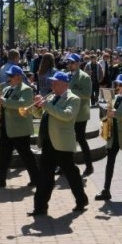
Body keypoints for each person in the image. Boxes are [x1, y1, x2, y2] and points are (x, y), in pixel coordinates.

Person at [29, 71, 88, 215]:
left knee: (71, 174)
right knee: (44, 177)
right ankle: (40, 207)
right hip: (48, 143)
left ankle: (81, 200)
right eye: (52, 82)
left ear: (64, 84)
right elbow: (39, 115)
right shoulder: (53, 97)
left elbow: (67, 116)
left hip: (62, 144)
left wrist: (47, 105)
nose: (52, 85)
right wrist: (37, 106)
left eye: (55, 82)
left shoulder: (73, 99)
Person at [95, 74, 122, 202]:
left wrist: (116, 114)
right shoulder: (115, 98)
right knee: (110, 162)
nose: (118, 87)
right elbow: (111, 113)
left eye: (120, 84)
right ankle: (106, 190)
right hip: (113, 135)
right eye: (117, 84)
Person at [0, 66, 38, 189]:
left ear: (19, 76)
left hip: (20, 128)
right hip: (6, 126)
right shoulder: (7, 88)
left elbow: (23, 104)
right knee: (3, 156)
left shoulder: (26, 89)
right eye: (9, 76)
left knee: (26, 156)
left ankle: (36, 179)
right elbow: (3, 103)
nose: (9, 78)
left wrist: (4, 102)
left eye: (11, 76)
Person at [65, 53, 94, 176]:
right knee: (67, 139)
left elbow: (87, 95)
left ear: (78, 64)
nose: (69, 64)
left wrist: (71, 90)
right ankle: (66, 165)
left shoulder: (85, 77)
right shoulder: (66, 75)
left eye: (72, 62)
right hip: (68, 112)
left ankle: (89, 166)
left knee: (81, 139)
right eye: (69, 62)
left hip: (80, 113)